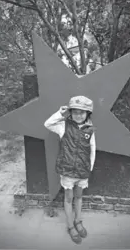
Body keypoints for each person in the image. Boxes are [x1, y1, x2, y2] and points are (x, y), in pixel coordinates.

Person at [44, 96, 96, 244]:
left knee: (79, 197)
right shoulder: (63, 126)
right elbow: (48, 124)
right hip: (67, 172)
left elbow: (92, 149)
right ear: (71, 112)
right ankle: (70, 225)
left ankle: (78, 221)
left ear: (88, 114)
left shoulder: (90, 129)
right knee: (68, 198)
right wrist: (60, 113)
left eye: (82, 112)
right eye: (75, 112)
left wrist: (89, 168)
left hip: (82, 172)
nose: (78, 115)